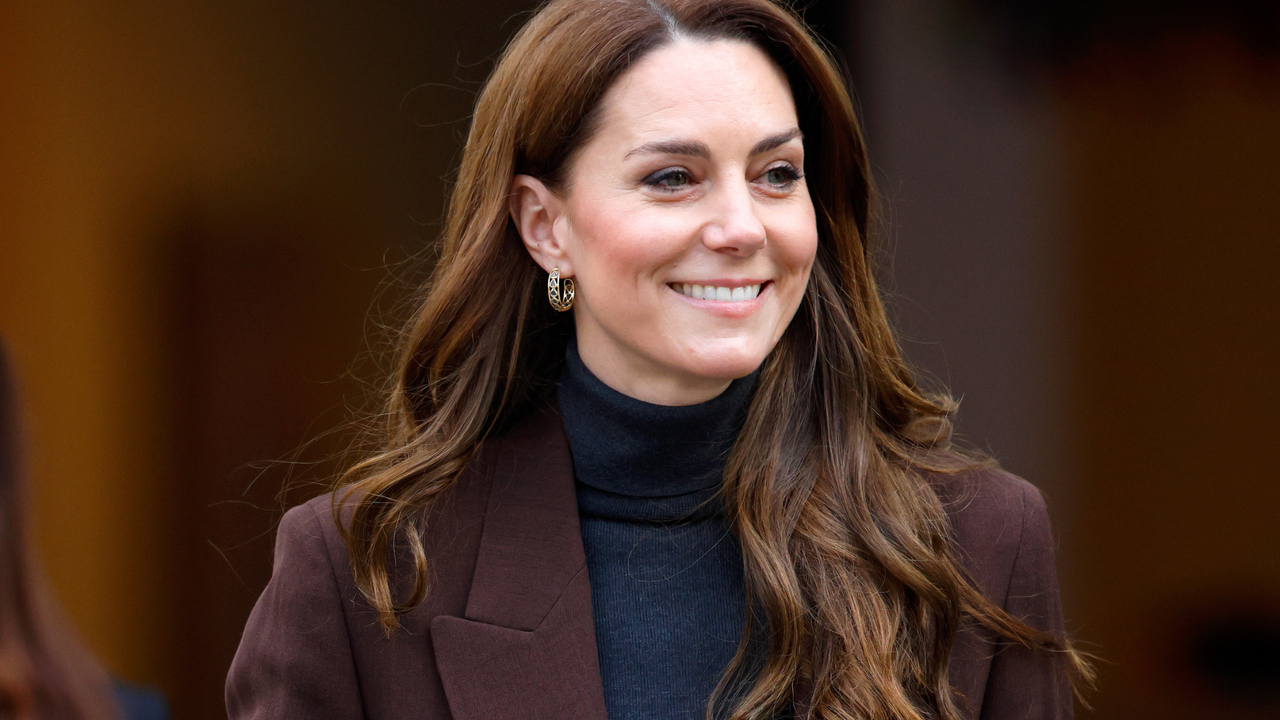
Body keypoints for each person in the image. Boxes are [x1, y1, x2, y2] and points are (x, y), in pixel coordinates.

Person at [227, 0, 1092, 718]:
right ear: (545, 227)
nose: (742, 227)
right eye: (673, 177)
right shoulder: (365, 572)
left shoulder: (979, 544)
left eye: (777, 174)